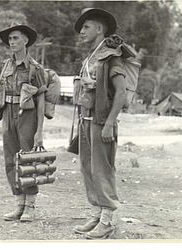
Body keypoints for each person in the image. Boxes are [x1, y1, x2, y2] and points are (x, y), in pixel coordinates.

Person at [73, 8, 131, 239]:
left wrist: (109, 124)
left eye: (86, 27)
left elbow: (121, 93)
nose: (82, 32)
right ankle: (97, 214)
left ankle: (107, 221)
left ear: (99, 29)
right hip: (85, 120)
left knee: (102, 170)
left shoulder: (111, 56)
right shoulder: (91, 57)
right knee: (88, 168)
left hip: (101, 122)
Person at [0, 23, 46, 222]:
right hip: (8, 112)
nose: (12, 42)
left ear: (26, 40)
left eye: (16, 38)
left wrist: (39, 131)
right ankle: (19, 204)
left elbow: (41, 99)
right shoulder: (6, 66)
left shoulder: (35, 68)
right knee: (10, 159)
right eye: (10, 39)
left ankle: (31, 206)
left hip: (27, 114)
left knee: (28, 158)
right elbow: (0, 92)